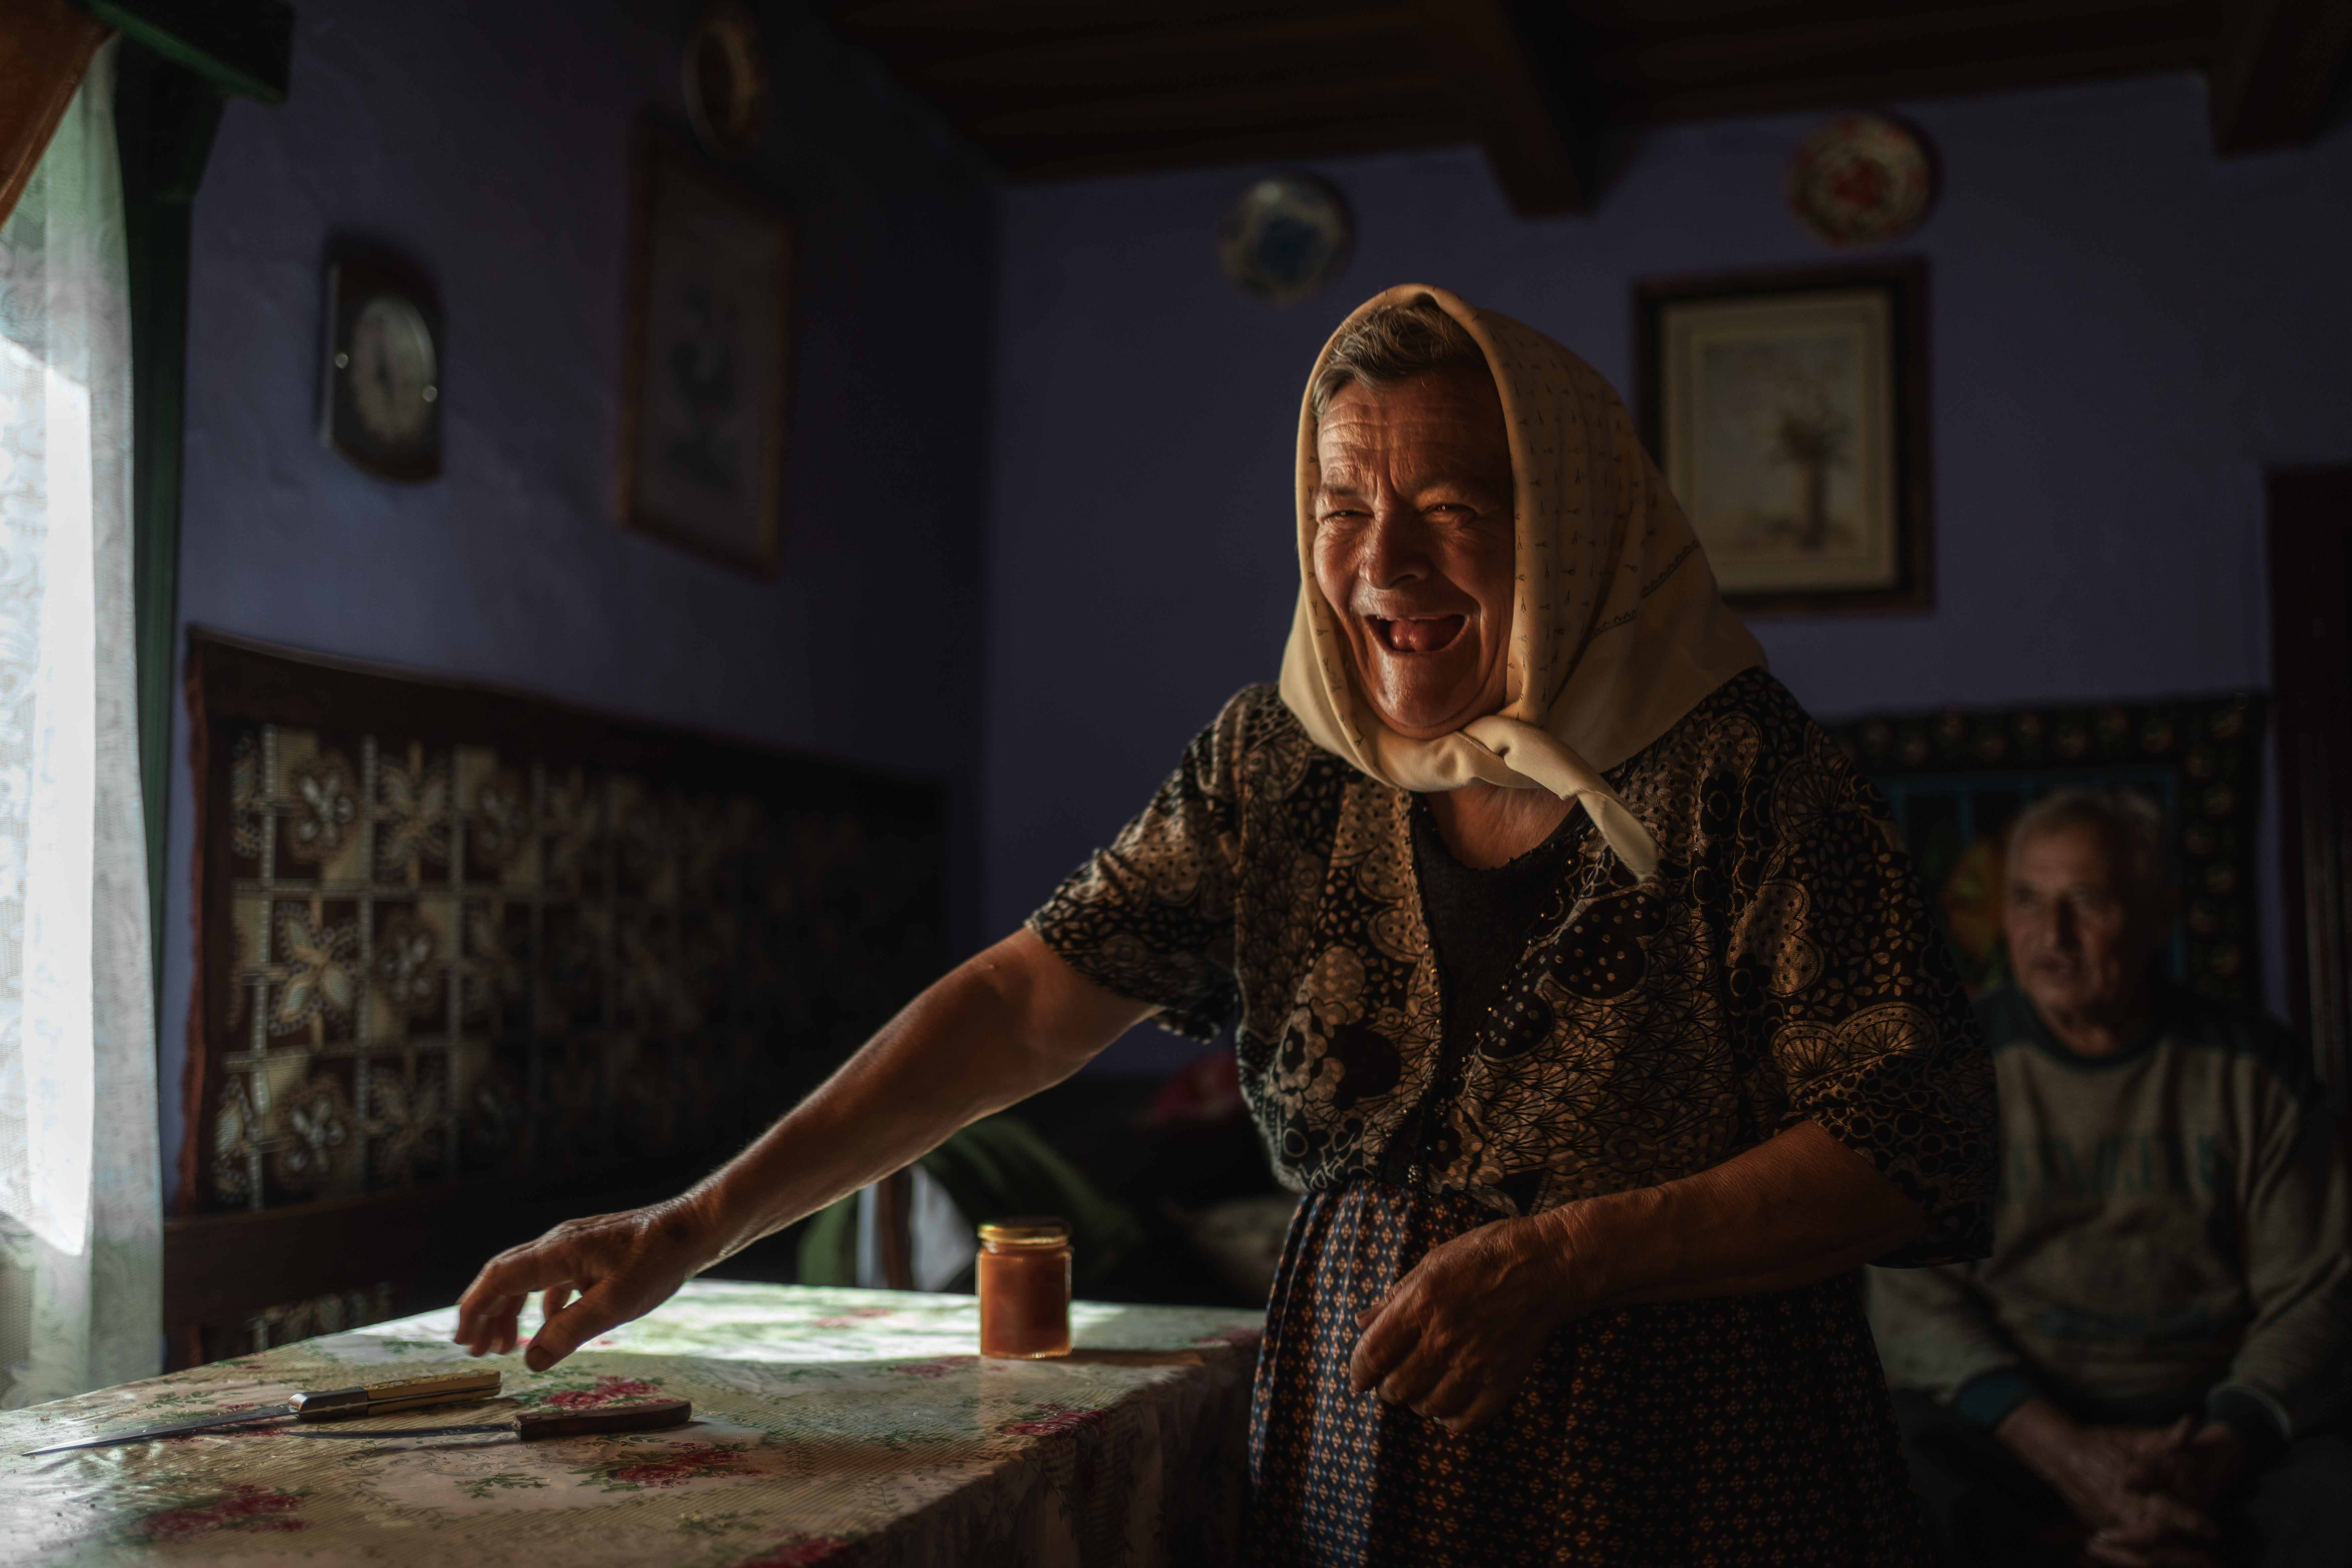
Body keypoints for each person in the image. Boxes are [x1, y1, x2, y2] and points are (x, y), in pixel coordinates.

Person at [453, 286, 1996, 1565]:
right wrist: (692, 1223)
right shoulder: (1278, 763)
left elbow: (1914, 1131)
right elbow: (1017, 1006)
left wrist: (1570, 1257)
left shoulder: (1743, 767)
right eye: (1341, 507)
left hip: (1698, 1470)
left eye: (1448, 508)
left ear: (1574, 520)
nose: (1379, 566)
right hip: (1359, 1465)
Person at [1869, 789, 2352, 1568]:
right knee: (1888, 1472)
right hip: (2014, 1425)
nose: (2050, 936)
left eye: (2085, 902)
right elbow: (1913, 1301)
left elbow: (2317, 1294)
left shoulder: (2257, 1070)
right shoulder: (1946, 1071)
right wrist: (2064, 1450)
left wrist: (2217, 1453)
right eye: (2026, 901)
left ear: (2160, 916)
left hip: (2215, 1416)